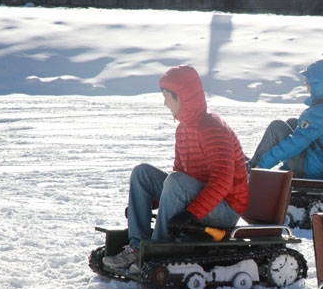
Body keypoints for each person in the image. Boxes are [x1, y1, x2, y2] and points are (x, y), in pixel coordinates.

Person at [103, 64, 249, 269]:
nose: (164, 103)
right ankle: (137, 247)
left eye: (167, 97)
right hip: (199, 199)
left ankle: (156, 250)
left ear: (182, 97)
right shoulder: (183, 129)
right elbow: (180, 174)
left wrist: (191, 214)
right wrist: (146, 202)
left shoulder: (213, 129)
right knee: (142, 173)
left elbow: (222, 181)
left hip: (225, 209)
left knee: (175, 180)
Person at [246, 57, 323, 180]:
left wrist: (262, 165)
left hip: (312, 171)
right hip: (321, 164)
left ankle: (251, 169)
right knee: (292, 123)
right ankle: (261, 164)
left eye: (308, 82)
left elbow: (295, 144)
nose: (307, 87)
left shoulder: (320, 113)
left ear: (317, 83)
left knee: (277, 128)